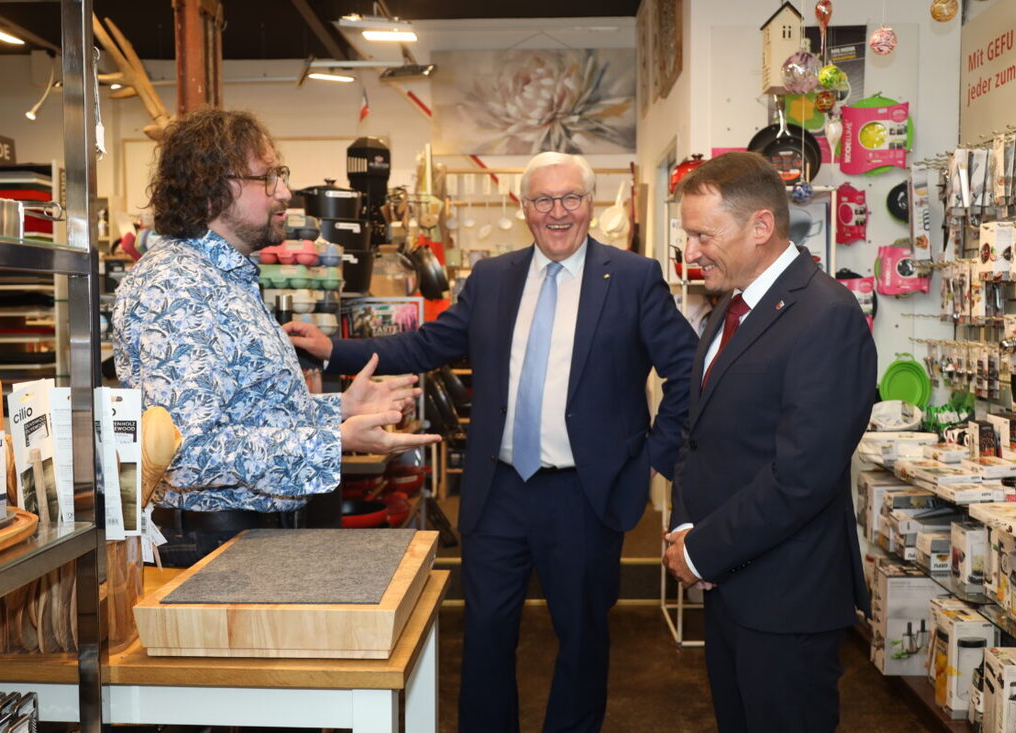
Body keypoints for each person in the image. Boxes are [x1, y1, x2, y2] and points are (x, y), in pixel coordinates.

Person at [285, 151, 696, 732]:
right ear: (524, 208)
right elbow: (426, 345)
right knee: (483, 637)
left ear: (590, 204)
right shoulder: (494, 278)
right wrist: (335, 350)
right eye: (543, 200)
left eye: (570, 198)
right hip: (499, 490)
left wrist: (651, 458)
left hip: (585, 495)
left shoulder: (632, 278)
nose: (558, 212)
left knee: (582, 638)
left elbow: (687, 372)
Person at [111, 109, 439, 566]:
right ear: (212, 189)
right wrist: (333, 440)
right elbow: (186, 453)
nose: (284, 192)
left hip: (249, 539)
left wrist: (339, 408)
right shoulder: (175, 288)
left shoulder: (226, 277)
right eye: (267, 178)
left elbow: (248, 414)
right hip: (214, 546)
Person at [661, 151, 876, 733]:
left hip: (786, 601)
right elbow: (696, 432)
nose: (692, 252)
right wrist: (687, 528)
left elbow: (802, 476)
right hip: (727, 583)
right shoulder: (731, 306)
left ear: (760, 226)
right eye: (689, 236)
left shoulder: (826, 315)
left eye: (704, 236)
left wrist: (701, 552)